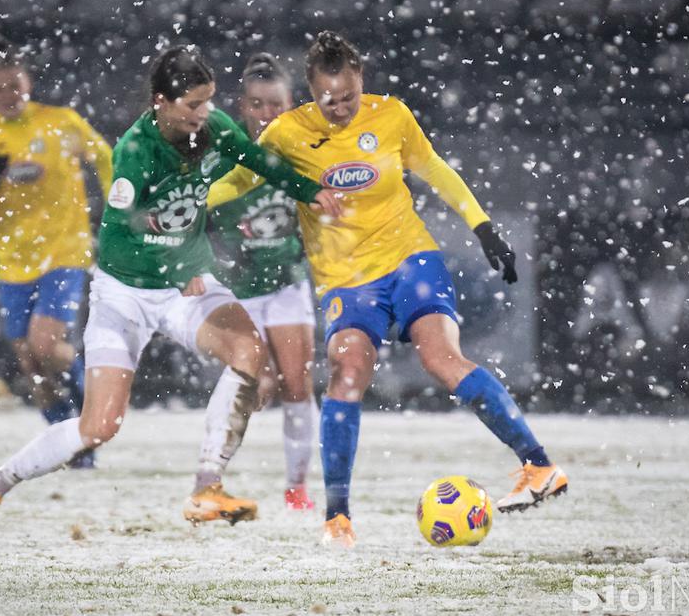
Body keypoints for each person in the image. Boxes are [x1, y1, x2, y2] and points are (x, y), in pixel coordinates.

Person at [0, 46, 341, 540]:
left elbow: (262, 161)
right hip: (125, 294)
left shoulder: (214, 125)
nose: (205, 114)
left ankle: (208, 486)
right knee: (98, 427)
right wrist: (177, 264)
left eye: (208, 102)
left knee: (249, 353)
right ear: (161, 101)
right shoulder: (135, 151)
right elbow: (125, 229)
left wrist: (311, 191)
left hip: (184, 287)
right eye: (194, 106)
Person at [211, 32, 568, 548]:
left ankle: (539, 467)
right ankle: (338, 517)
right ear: (311, 91)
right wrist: (192, 203)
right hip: (346, 281)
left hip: (410, 260)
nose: (339, 108)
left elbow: (435, 170)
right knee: (347, 372)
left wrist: (483, 226)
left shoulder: (391, 116)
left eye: (349, 97)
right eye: (328, 99)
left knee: (443, 360)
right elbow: (241, 179)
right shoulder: (288, 132)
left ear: (362, 83)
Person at [0, 50, 112, 468]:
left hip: (65, 251)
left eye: (15, 85)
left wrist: (117, 203)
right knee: (32, 365)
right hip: (13, 262)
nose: (8, 94)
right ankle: (73, 448)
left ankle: (91, 409)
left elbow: (104, 156)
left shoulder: (62, 122)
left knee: (45, 345)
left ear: (29, 84)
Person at [207, 54, 317, 511]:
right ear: (243, 107)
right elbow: (192, 214)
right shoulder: (222, 155)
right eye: (257, 105)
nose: (267, 114)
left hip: (288, 283)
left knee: (298, 384)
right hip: (238, 288)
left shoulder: (308, 152)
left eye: (275, 104)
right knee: (255, 385)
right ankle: (210, 478)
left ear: (292, 105)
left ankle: (297, 488)